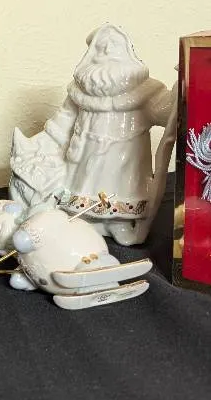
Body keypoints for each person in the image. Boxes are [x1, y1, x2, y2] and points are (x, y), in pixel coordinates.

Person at [10, 23, 175, 244]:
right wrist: (41, 144)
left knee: (121, 190)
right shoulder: (80, 91)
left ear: (127, 51)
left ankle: (119, 223)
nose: (107, 50)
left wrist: (179, 91)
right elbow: (62, 122)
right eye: (101, 47)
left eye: (114, 45)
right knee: (84, 191)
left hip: (124, 160)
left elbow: (164, 112)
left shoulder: (145, 91)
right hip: (84, 158)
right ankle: (86, 221)